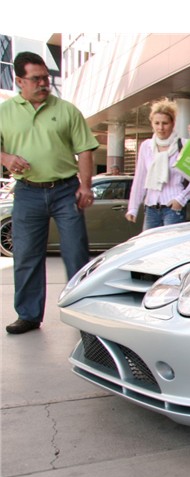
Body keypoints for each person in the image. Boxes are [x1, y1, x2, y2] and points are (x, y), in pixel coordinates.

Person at [0, 52, 98, 334]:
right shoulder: (5, 112)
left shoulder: (66, 110)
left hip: (66, 191)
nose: (44, 83)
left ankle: (83, 314)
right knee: (26, 256)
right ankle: (29, 315)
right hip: (28, 193)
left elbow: (84, 149)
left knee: (76, 254)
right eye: (36, 79)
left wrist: (86, 185)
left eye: (45, 78)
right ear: (19, 80)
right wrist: (6, 158)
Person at [126, 98, 190, 230]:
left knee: (170, 248)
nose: (160, 128)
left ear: (173, 123)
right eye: (157, 123)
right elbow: (140, 179)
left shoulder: (184, 145)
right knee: (149, 248)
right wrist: (133, 207)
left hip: (173, 208)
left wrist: (181, 199)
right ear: (152, 124)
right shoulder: (146, 146)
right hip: (151, 208)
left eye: (165, 123)